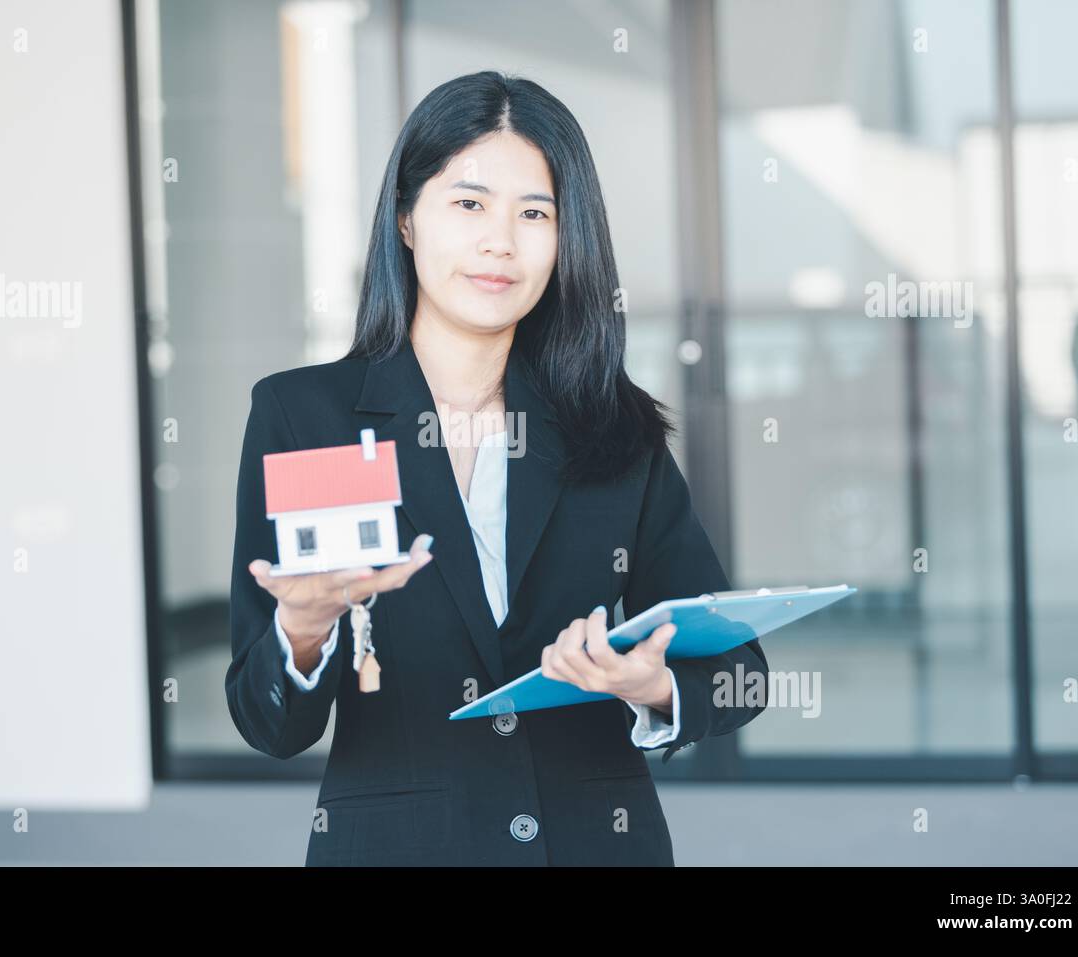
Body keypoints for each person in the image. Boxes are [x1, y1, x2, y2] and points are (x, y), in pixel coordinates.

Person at [226, 70, 768, 866]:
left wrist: (652, 686)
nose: (501, 243)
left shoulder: (615, 428)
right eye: (469, 204)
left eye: (535, 213)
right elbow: (269, 722)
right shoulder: (305, 419)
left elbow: (740, 674)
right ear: (407, 219)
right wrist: (301, 635)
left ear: (565, 236)